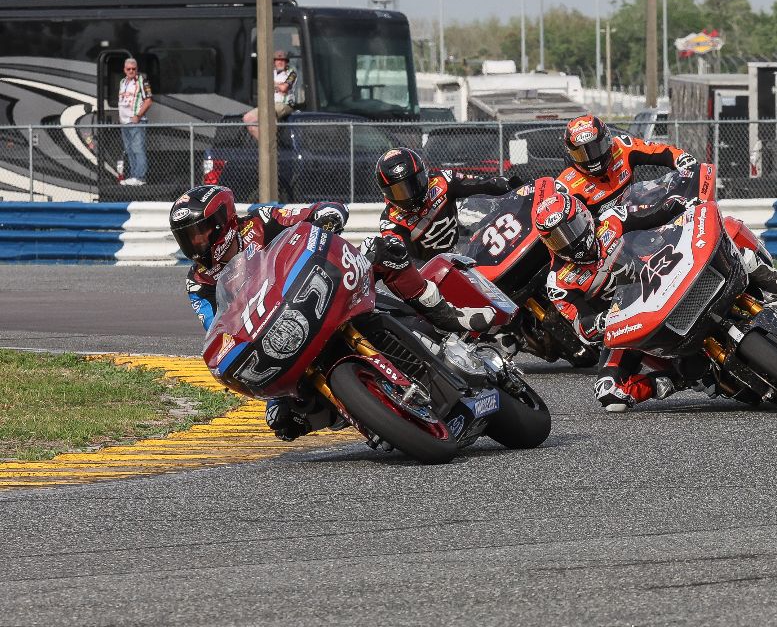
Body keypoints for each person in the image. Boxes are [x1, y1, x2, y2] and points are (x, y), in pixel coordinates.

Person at [170, 184, 494, 441]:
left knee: (386, 250)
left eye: (198, 232)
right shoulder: (199, 283)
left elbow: (321, 209)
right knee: (281, 420)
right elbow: (220, 329)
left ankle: (448, 319)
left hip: (327, 285)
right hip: (283, 330)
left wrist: (326, 217)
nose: (194, 243)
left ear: (221, 221)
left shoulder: (260, 220)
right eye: (186, 237)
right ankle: (366, 413)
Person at [533, 180, 777, 412]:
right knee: (610, 394)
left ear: (583, 216)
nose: (569, 241)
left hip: (669, 268)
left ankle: (769, 277)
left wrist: (687, 205)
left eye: (571, 229)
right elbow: (581, 325)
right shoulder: (559, 282)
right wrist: (603, 321)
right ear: (548, 244)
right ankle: (679, 380)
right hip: (635, 317)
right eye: (558, 239)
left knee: (727, 226)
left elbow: (660, 211)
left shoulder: (613, 221)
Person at [375, 147, 523, 264]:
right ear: (386, 193)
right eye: (399, 191)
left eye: (414, 183)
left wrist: (509, 185)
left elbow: (482, 184)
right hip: (437, 273)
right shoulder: (390, 222)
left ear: (423, 175)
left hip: (467, 250)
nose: (410, 194)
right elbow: (406, 261)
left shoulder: (442, 181)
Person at [556, 113, 698, 212]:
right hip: (606, 239)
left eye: (595, 149)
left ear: (607, 140)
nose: (590, 158)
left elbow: (659, 150)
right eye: (581, 153)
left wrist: (682, 159)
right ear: (569, 153)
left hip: (637, 216)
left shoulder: (623, 146)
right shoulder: (566, 186)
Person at [242, 50, 298, 139]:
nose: (280, 62)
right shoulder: (270, 73)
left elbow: (284, 88)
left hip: (285, 104)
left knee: (270, 112)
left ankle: (273, 144)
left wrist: (272, 84)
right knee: (247, 118)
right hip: (269, 104)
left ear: (287, 62)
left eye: (283, 60)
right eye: (277, 60)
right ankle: (265, 144)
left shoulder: (292, 73)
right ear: (274, 62)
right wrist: (277, 85)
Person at [117, 57, 152, 186]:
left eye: (134, 69)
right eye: (128, 69)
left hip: (136, 121)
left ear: (137, 69)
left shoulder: (142, 81)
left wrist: (138, 115)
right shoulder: (122, 82)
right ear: (124, 70)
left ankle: (140, 177)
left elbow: (149, 100)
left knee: (138, 148)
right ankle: (133, 176)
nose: (131, 71)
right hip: (124, 122)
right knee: (129, 149)